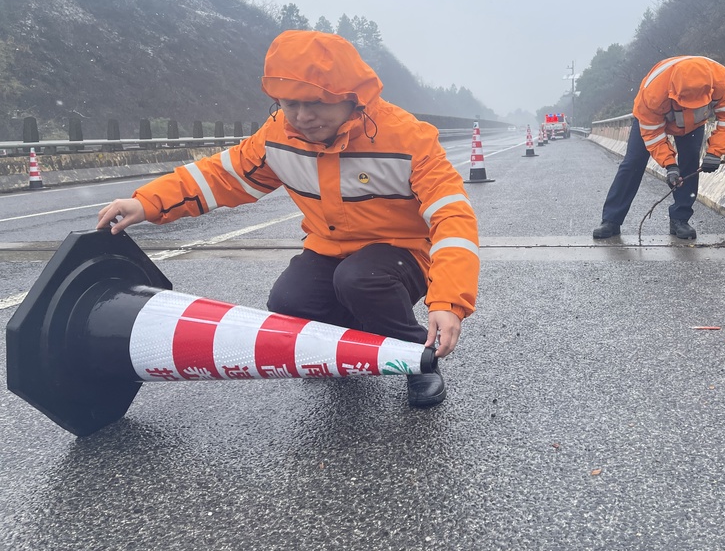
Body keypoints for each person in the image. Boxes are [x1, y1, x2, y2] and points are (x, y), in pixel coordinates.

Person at [96, 30, 480, 408]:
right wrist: (145, 203)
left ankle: (418, 358)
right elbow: (220, 176)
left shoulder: (408, 138)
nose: (302, 116)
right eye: (289, 103)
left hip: (402, 253)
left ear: (352, 96)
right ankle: (348, 348)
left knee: (362, 279)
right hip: (329, 248)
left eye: (314, 102)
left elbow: (452, 217)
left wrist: (447, 301)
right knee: (289, 301)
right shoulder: (278, 136)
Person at [592, 55, 725, 240]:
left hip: (694, 124)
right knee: (633, 163)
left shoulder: (721, 81)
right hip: (655, 119)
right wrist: (670, 165)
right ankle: (611, 220)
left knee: (690, 160)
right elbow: (653, 135)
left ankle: (680, 219)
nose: (688, 107)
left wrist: (715, 152)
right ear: (674, 91)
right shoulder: (653, 93)